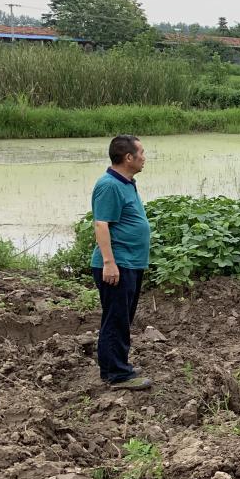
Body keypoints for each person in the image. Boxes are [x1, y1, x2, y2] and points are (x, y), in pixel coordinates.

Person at [90, 134, 153, 390]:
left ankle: (111, 369)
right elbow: (101, 224)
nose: (144, 158)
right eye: (142, 153)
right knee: (116, 319)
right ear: (128, 157)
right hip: (117, 264)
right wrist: (109, 262)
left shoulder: (127, 182)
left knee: (119, 318)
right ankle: (118, 374)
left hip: (130, 263)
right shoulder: (109, 185)